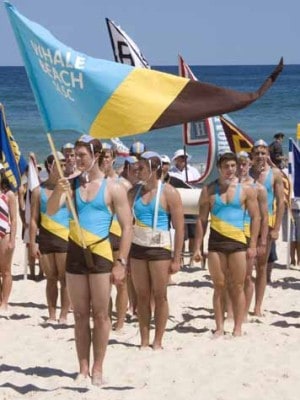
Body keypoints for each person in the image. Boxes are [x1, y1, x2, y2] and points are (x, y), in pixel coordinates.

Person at [47, 135, 132, 386]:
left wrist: (121, 262)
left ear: (96, 155)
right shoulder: (70, 185)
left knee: (102, 314)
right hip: (75, 252)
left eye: (82, 155)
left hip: (100, 253)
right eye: (74, 154)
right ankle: (82, 367)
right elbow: (51, 211)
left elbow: (127, 226)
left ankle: (98, 367)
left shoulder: (113, 187)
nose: (76, 159)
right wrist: (57, 190)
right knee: (81, 314)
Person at [193, 152, 260, 337]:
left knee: (238, 286)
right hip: (216, 242)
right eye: (226, 166)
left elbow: (256, 217)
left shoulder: (246, 190)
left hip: (238, 242)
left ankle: (237, 327)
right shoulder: (208, 190)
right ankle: (220, 327)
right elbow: (201, 220)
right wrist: (197, 247)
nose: (230, 170)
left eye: (233, 166)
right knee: (219, 285)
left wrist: (253, 244)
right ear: (219, 168)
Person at [128, 151, 184, 349]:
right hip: (137, 248)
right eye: (136, 167)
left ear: (154, 169)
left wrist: (176, 258)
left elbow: (179, 227)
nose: (137, 171)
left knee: (160, 295)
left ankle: (158, 340)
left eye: (141, 168)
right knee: (141, 296)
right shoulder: (133, 192)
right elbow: (126, 224)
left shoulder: (169, 192)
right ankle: (144, 339)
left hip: (160, 248)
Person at [29, 152, 70, 324]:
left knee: (65, 279)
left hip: (64, 238)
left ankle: (64, 314)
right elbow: (33, 219)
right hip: (46, 238)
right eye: (58, 163)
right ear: (49, 166)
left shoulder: (68, 190)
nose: (62, 166)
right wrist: (32, 243)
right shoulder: (38, 191)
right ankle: (52, 314)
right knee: (50, 278)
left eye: (63, 163)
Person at [250, 139, 284, 316]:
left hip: (267, 223)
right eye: (257, 153)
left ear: (267, 155)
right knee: (246, 267)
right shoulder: (247, 173)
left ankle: (257, 306)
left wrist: (277, 227)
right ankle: (244, 303)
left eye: (263, 153)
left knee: (262, 266)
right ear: (252, 155)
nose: (260, 156)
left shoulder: (275, 173)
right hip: (247, 224)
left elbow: (281, 202)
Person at [99, 143, 129, 331]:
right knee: (103, 285)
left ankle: (120, 321)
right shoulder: (93, 183)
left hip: (118, 235)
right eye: (101, 157)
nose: (104, 160)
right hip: (101, 237)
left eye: (107, 156)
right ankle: (107, 319)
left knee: (121, 283)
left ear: (114, 158)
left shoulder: (123, 184)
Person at [236, 151, 268, 319]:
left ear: (249, 165)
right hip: (232, 232)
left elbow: (263, 217)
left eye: (244, 164)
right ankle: (233, 311)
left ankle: (244, 313)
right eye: (238, 164)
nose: (241, 167)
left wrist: (261, 242)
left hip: (249, 234)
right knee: (230, 276)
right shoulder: (229, 185)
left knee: (247, 276)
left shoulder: (259, 188)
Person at [169, 149, 200, 259]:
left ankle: (192, 257)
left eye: (185, 157)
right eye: (181, 157)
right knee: (181, 233)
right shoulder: (171, 173)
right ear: (176, 159)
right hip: (178, 206)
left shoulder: (194, 171)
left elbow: (198, 185)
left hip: (192, 203)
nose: (183, 160)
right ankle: (180, 257)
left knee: (193, 233)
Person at [0, 172, 17, 314]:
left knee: (5, 271)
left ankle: (4, 302)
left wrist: (12, 240)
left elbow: (14, 218)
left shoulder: (9, 194)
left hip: (4, 233)